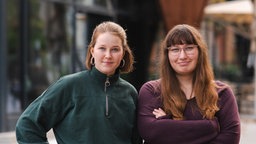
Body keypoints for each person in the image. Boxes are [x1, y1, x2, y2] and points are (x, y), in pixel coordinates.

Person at [16, 21, 142, 144]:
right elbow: (27, 125)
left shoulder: (130, 93)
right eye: (102, 48)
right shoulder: (69, 86)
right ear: (92, 51)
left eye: (115, 49)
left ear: (123, 53)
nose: (108, 55)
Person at [137, 24, 241, 144]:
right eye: (175, 49)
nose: (182, 56)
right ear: (167, 55)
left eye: (189, 48)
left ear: (200, 51)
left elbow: (230, 139)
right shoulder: (152, 91)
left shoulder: (222, 93)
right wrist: (210, 127)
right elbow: (150, 132)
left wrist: (167, 123)